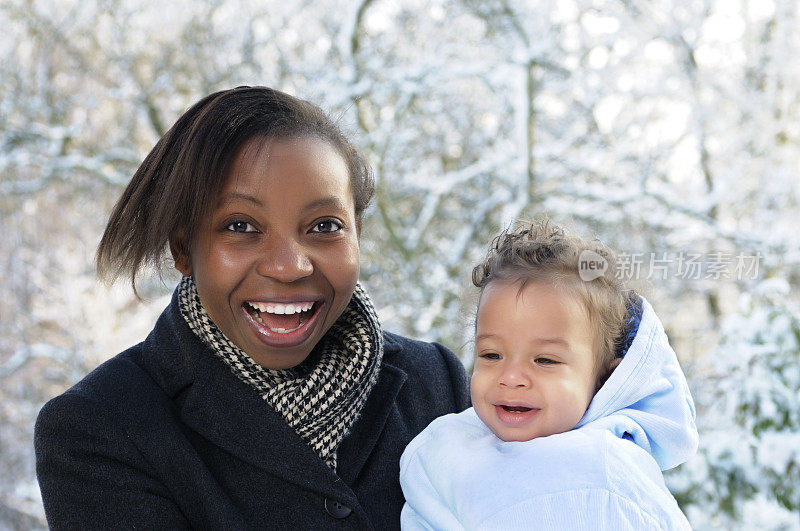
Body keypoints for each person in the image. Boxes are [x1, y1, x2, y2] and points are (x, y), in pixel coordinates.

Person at [34, 86, 470, 529]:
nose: (289, 266)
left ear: (357, 233)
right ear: (183, 248)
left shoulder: (435, 382)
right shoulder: (98, 429)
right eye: (241, 226)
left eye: (324, 226)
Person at [400, 220, 698, 530]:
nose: (511, 377)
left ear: (604, 380)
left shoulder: (609, 471)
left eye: (544, 360)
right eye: (492, 355)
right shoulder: (445, 447)